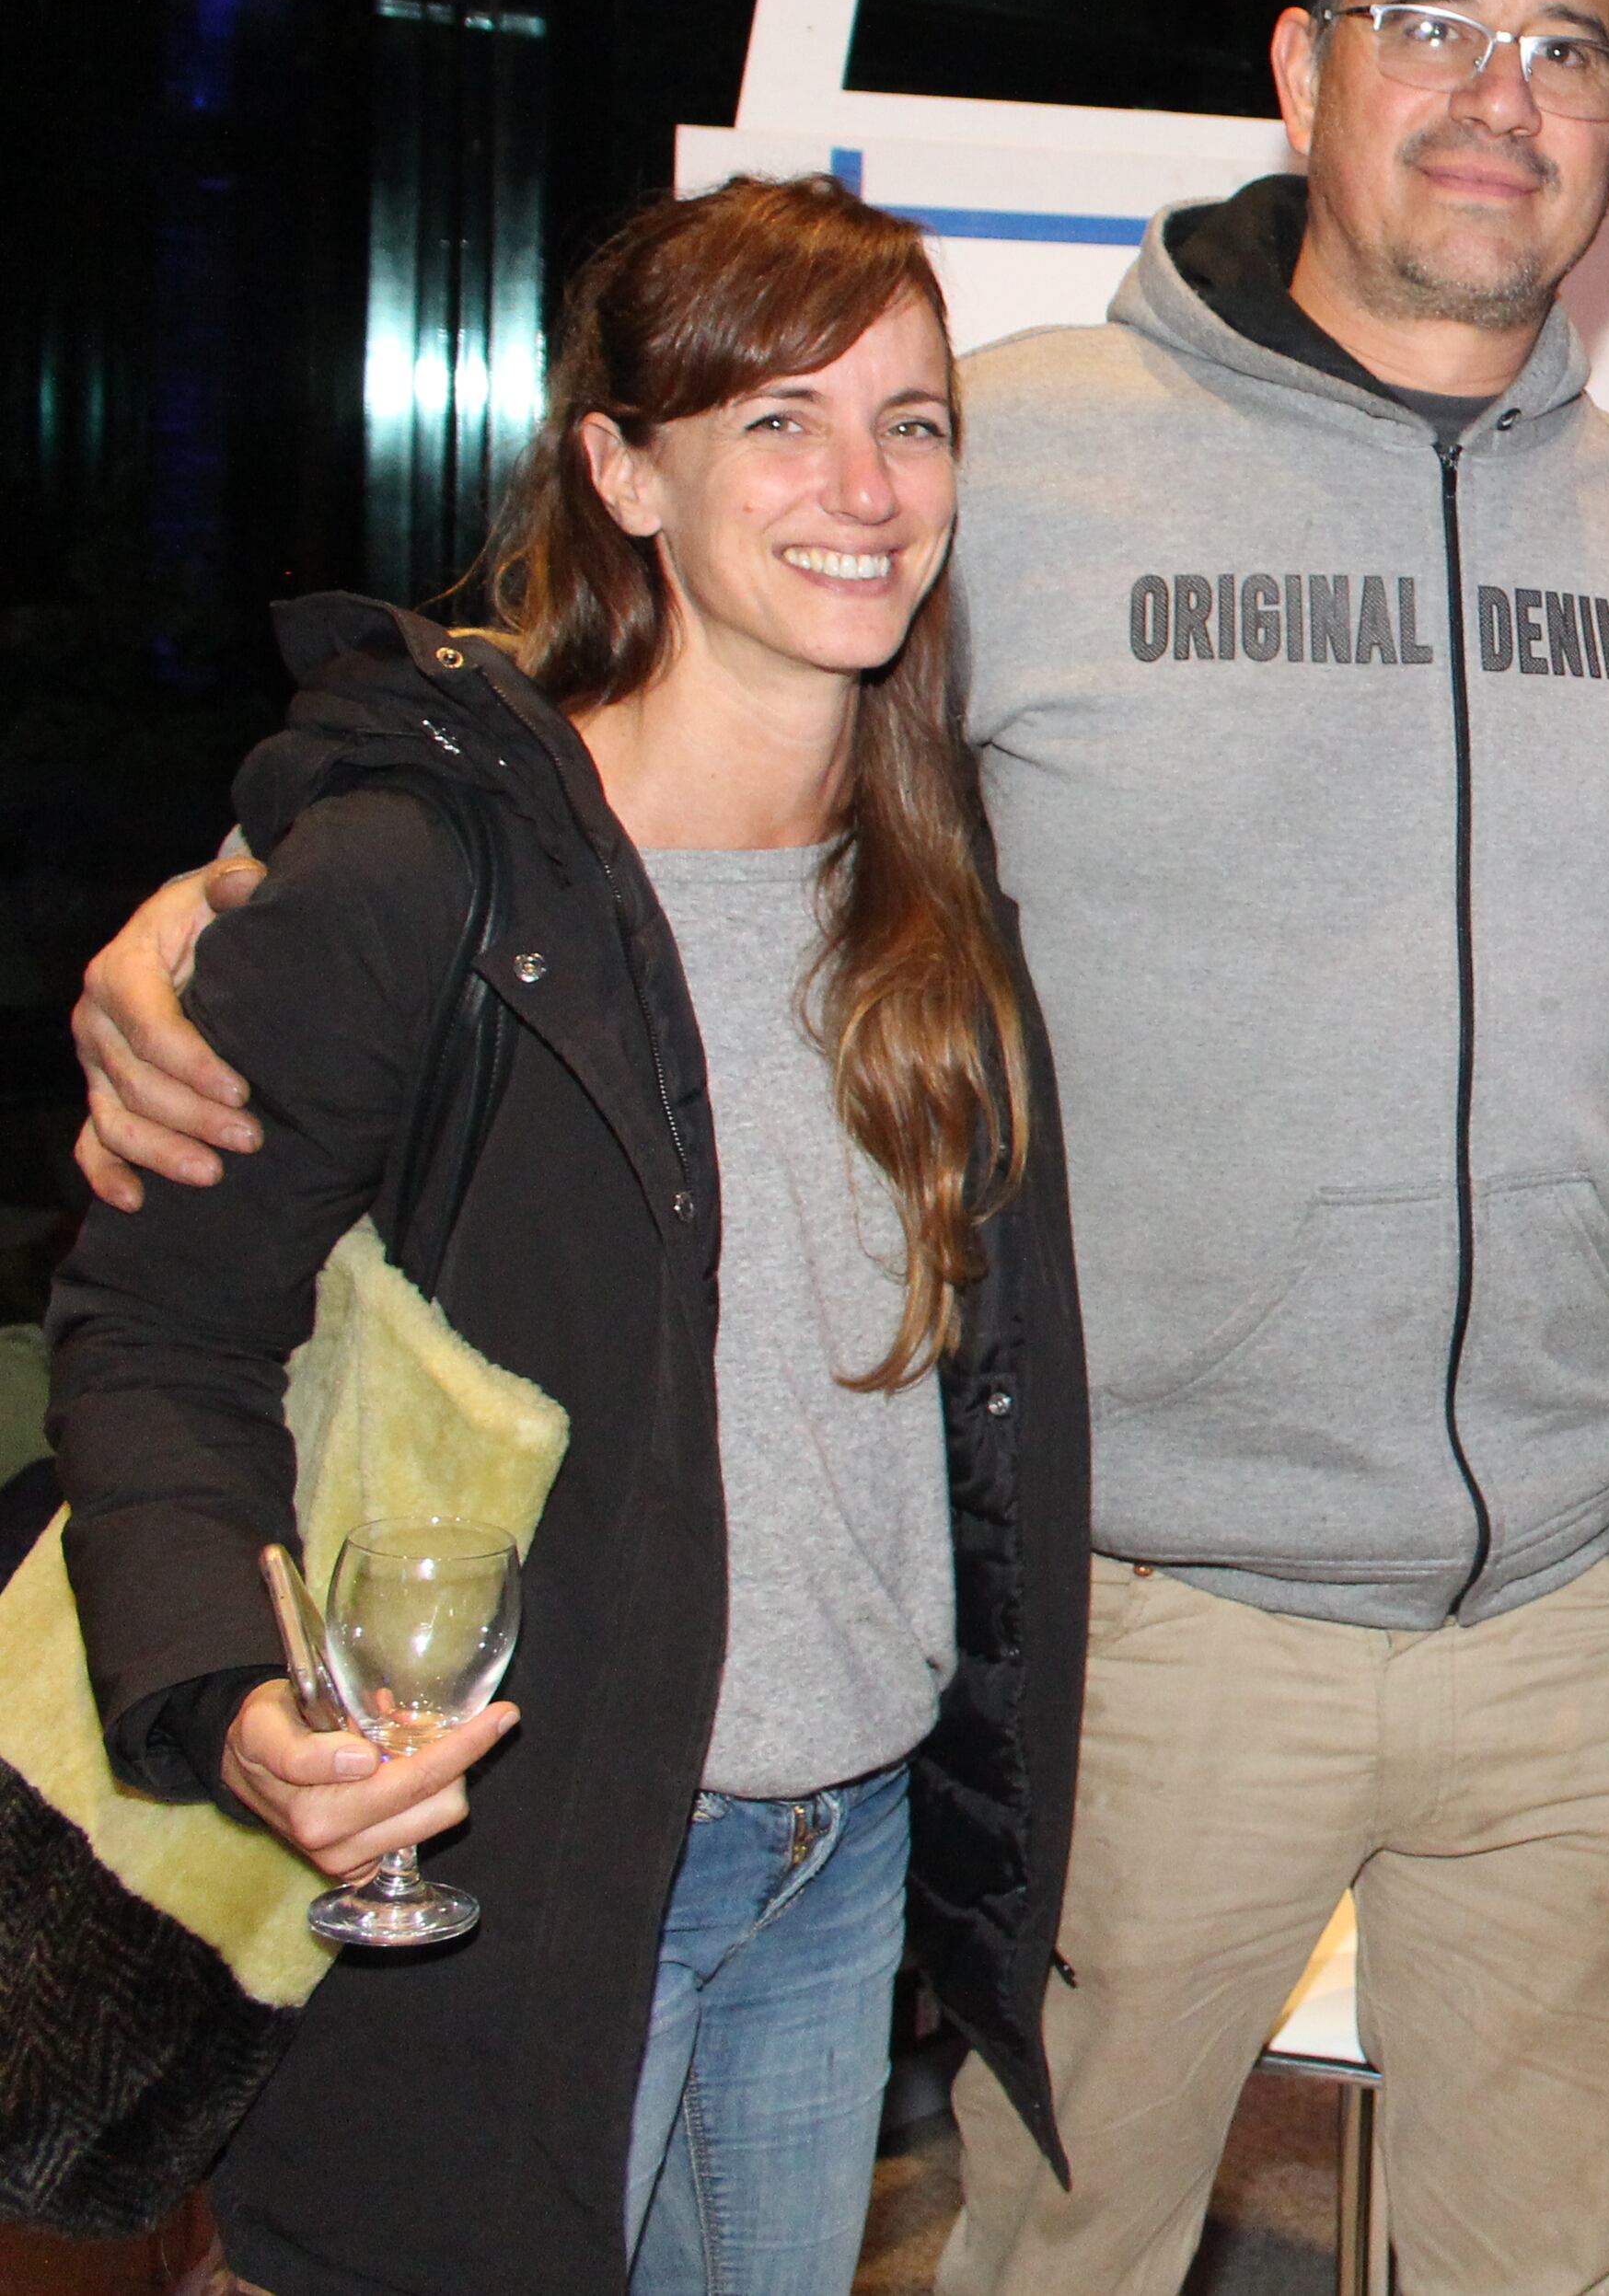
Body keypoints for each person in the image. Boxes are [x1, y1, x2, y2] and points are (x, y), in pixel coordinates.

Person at [71, 0, 1609, 2296]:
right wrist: (244, 866)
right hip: (1149, 1621)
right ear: (1303, 72)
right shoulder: (1008, 453)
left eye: (1567, 49)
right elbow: (611, 725)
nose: (1493, 91)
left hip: (1580, 1626)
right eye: (1429, 23)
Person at [47, 176, 1093, 2296]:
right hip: (523, 1864)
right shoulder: (420, 875)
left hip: (843, 1855)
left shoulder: (936, 894)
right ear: (627, 468)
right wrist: (237, 1696)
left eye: (912, 422)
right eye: (779, 422)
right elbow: (155, 1329)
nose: (863, 486)